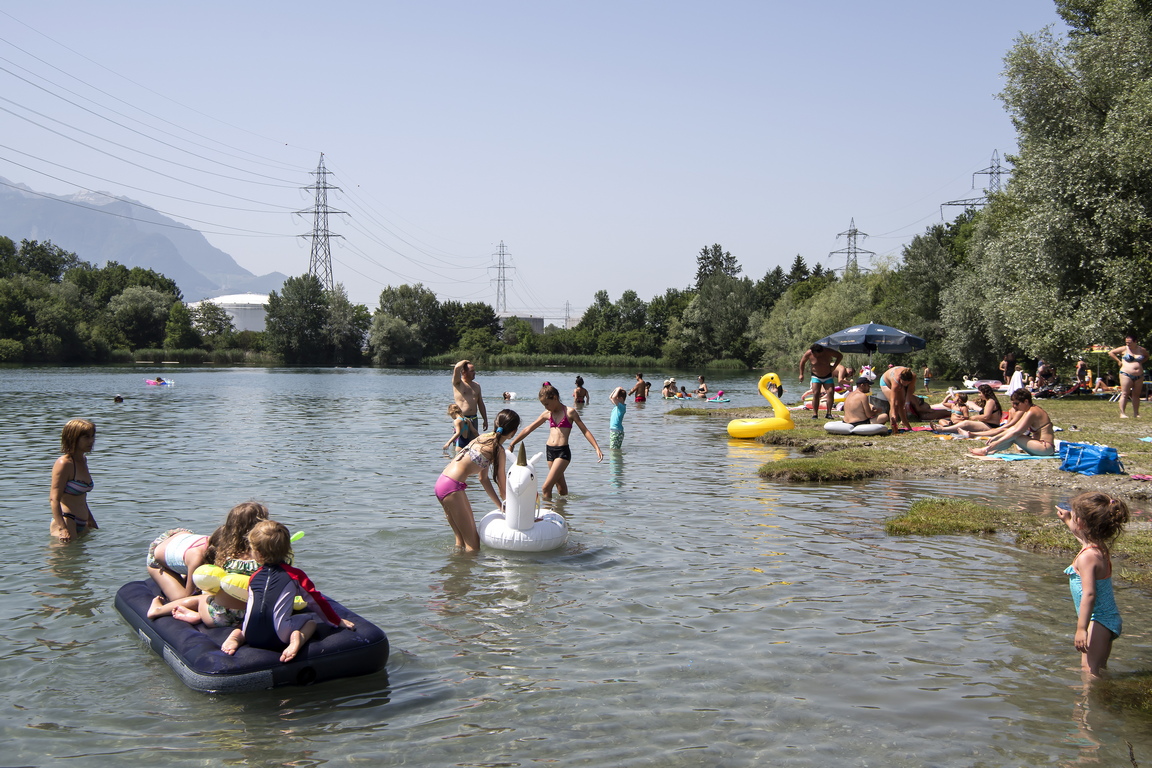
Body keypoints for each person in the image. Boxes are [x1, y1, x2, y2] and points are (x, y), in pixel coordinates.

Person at [222, 520, 355, 663]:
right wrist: (336, 621)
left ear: (258, 553)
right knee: (311, 622)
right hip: (279, 636)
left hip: (251, 635)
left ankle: (236, 637)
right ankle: (297, 639)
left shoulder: (254, 577)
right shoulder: (295, 575)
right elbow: (315, 600)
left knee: (248, 622)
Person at [147, 501, 272, 627]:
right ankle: (157, 610)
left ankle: (194, 602)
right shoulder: (199, 556)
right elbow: (188, 595)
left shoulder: (229, 555)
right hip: (158, 556)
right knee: (183, 597)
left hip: (184, 540)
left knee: (206, 595)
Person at [1057, 492, 1130, 677]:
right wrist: (1067, 520)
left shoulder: (1088, 557)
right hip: (1107, 620)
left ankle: (1085, 705)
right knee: (1099, 669)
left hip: (1097, 622)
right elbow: (1080, 534)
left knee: (1089, 671)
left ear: (1081, 523)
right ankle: (1103, 698)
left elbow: (1089, 594)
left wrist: (1081, 629)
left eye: (1073, 516)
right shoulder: (1096, 547)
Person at [435, 409, 520, 553]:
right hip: (452, 488)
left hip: (442, 482)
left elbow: (483, 479)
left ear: (495, 423)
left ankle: (455, 572)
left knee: (460, 542)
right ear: (514, 432)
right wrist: (513, 510)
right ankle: (467, 573)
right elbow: (502, 485)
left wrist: (500, 506)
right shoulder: (498, 450)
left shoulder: (483, 438)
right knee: (473, 547)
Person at [510, 383, 604, 501]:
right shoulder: (547, 414)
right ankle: (563, 513)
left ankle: (547, 515)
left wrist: (596, 447)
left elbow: (585, 431)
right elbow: (529, 428)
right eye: (543, 405)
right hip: (550, 452)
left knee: (546, 488)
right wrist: (512, 443)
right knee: (561, 488)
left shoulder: (570, 412)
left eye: (547, 404)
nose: (546, 407)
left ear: (555, 398)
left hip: (562, 453)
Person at [49, 418, 99, 544]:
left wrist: (90, 519)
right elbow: (54, 499)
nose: (91, 441)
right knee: (64, 562)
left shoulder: (83, 460)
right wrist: (63, 528)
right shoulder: (64, 463)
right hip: (67, 521)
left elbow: (81, 496)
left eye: (93, 436)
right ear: (73, 438)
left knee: (83, 562)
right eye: (86, 437)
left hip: (83, 521)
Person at [969, 388, 1055, 456]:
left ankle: (986, 450)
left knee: (1014, 436)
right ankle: (988, 450)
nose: (1014, 406)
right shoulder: (1029, 410)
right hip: (1040, 446)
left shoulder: (1032, 412)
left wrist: (996, 442)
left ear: (1026, 401)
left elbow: (1016, 432)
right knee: (1011, 435)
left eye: (1016, 403)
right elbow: (1013, 428)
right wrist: (996, 436)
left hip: (1045, 448)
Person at [936, 384, 1004, 434]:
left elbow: (986, 416)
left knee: (966, 423)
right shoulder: (989, 401)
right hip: (987, 424)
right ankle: (948, 428)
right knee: (966, 425)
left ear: (985, 393)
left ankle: (943, 429)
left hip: (991, 426)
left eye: (980, 393)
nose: (979, 395)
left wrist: (974, 417)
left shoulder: (990, 402)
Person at [798, 343, 843, 419]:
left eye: (815, 354)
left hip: (828, 375)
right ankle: (815, 414)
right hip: (816, 376)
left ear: (821, 352)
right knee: (816, 393)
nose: (813, 355)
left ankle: (829, 413)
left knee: (830, 392)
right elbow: (802, 362)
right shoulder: (809, 353)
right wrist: (801, 374)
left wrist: (834, 367)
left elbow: (840, 356)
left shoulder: (828, 351)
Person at [1109, 333, 1147, 419]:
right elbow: (1111, 352)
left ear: (1135, 341)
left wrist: (1140, 363)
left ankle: (1136, 413)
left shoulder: (1141, 350)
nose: (1128, 344)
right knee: (1125, 393)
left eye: (1129, 342)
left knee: (1136, 395)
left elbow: (1147, 356)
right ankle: (1122, 413)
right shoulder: (1124, 349)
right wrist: (1118, 361)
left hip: (1139, 375)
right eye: (1126, 342)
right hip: (1126, 373)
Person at [452, 359, 488, 435]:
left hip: (474, 419)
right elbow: (457, 368)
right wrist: (466, 361)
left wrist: (485, 419)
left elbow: (480, 403)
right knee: (460, 445)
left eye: (474, 371)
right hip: (462, 419)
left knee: (473, 445)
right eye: (472, 371)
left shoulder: (477, 386)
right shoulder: (458, 383)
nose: (474, 373)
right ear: (464, 372)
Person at [879, 366, 916, 432]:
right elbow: (893, 401)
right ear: (900, 379)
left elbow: (910, 390)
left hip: (899, 383)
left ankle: (906, 424)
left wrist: (907, 402)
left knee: (902, 403)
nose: (905, 385)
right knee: (895, 405)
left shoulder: (913, 376)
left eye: (907, 383)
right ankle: (894, 426)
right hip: (885, 382)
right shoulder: (896, 381)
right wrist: (894, 414)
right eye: (904, 383)